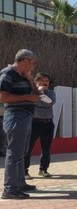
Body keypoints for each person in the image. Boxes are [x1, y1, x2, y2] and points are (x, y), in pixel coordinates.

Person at [0, 49, 40, 199]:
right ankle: (10, 189)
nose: (33, 67)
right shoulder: (7, 73)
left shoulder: (23, 76)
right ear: (25, 61)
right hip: (15, 116)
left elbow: (36, 94)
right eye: (32, 64)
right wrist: (28, 98)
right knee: (14, 152)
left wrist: (30, 79)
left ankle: (19, 183)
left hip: (25, 116)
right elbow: (3, 97)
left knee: (21, 152)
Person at [24, 72, 56, 179]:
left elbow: (50, 102)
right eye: (43, 80)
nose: (45, 82)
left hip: (48, 122)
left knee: (46, 147)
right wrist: (39, 92)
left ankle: (43, 169)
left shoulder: (51, 93)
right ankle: (24, 170)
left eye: (47, 80)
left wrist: (40, 97)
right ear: (37, 81)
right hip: (34, 122)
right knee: (28, 147)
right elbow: (33, 103)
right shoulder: (31, 92)